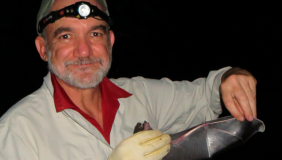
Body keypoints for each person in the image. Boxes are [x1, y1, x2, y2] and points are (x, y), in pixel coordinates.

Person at [0, 0, 257, 159]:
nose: (84, 51)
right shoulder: (18, 130)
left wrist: (229, 76)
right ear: (43, 48)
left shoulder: (140, 95)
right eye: (65, 36)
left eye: (95, 34)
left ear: (110, 42)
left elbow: (205, 94)